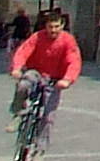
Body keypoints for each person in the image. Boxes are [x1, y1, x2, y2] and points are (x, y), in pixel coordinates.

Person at [9, 8, 83, 150]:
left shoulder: (68, 41)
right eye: (50, 27)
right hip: (36, 73)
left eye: (56, 27)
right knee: (23, 84)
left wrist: (68, 79)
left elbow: (73, 61)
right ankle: (18, 113)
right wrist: (17, 68)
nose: (53, 30)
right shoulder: (37, 37)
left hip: (55, 79)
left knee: (48, 116)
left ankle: (40, 149)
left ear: (62, 25)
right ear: (45, 26)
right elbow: (23, 51)